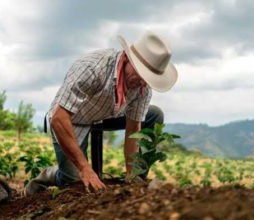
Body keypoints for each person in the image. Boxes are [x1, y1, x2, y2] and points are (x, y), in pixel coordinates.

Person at [25, 31, 178, 196]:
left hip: (106, 115)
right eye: (141, 74)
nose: (142, 82)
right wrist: (85, 168)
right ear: (127, 59)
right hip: (72, 118)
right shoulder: (92, 68)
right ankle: (50, 175)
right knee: (74, 183)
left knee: (154, 115)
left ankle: (138, 179)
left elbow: (134, 129)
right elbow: (59, 118)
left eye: (148, 79)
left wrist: (132, 178)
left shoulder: (142, 88)